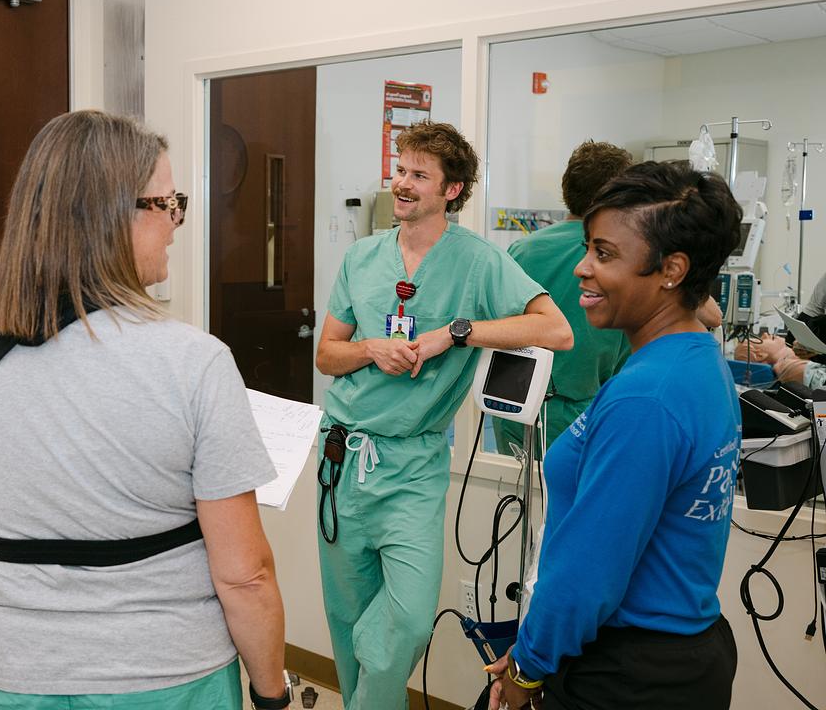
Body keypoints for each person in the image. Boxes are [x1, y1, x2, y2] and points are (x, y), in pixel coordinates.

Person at [0, 110, 288, 709]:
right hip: (167, 678)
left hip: (20, 675)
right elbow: (246, 575)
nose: (178, 223)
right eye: (168, 203)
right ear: (112, 216)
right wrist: (271, 695)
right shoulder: (193, 362)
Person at [315, 121, 574, 708]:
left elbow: (554, 330)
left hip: (413, 465)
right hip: (343, 457)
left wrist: (453, 334)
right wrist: (369, 349)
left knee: (406, 619)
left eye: (418, 176)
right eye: (400, 170)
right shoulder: (362, 258)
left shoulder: (479, 262)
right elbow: (328, 355)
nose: (402, 184)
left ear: (451, 190)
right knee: (346, 614)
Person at [488, 161, 742, 710]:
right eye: (588, 249)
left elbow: (587, 574)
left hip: (628, 673)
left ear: (671, 270)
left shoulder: (647, 398)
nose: (582, 269)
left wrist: (527, 668)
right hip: (680, 655)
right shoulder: (697, 361)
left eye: (604, 254)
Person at [492, 141, 634, 457]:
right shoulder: (617, 255)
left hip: (516, 405)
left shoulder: (524, 250)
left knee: (516, 499)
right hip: (581, 410)